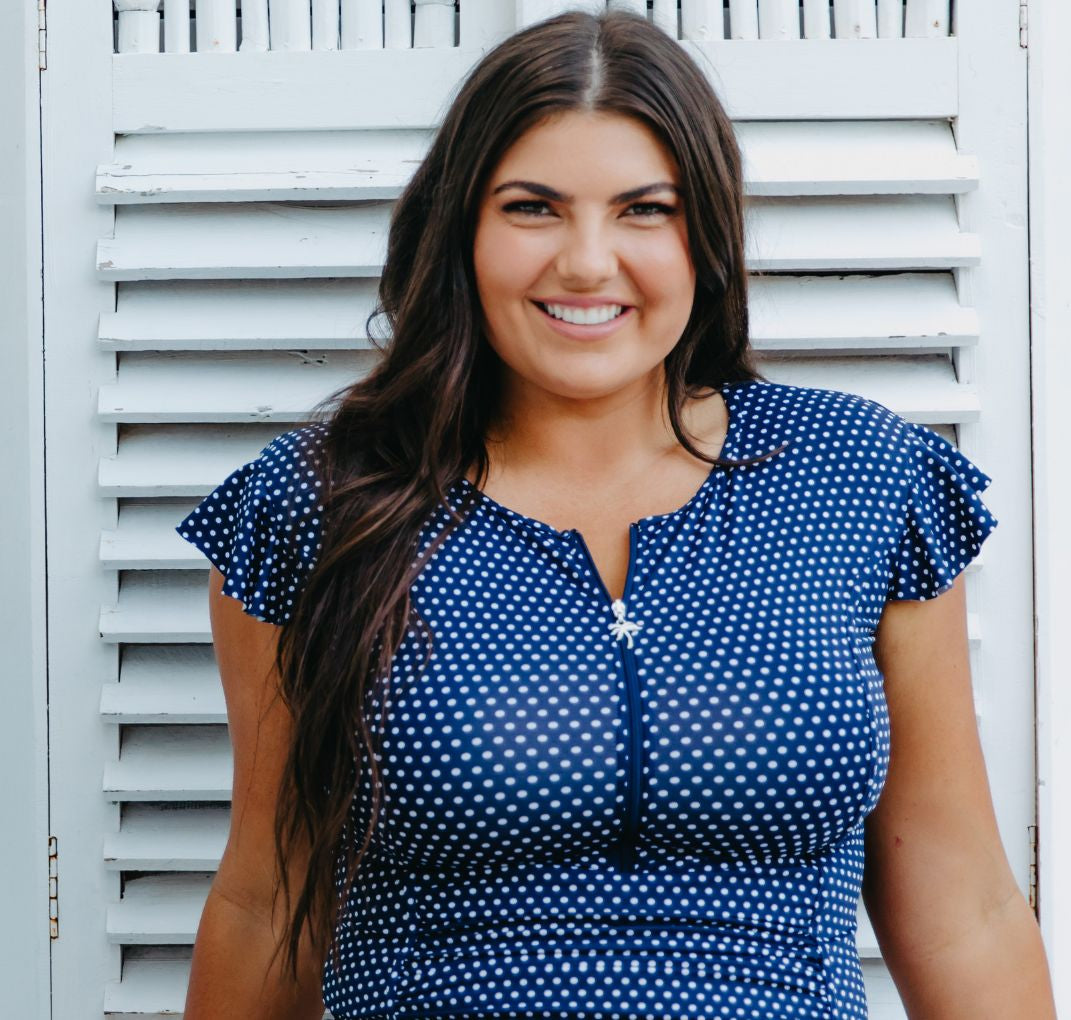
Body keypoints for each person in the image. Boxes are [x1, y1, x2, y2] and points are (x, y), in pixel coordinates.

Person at [172, 9, 1053, 1019]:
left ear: (706, 238)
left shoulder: (859, 478)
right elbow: (264, 901)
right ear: (460, 229)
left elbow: (963, 900)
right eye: (533, 208)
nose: (588, 263)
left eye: (645, 210)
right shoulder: (316, 510)